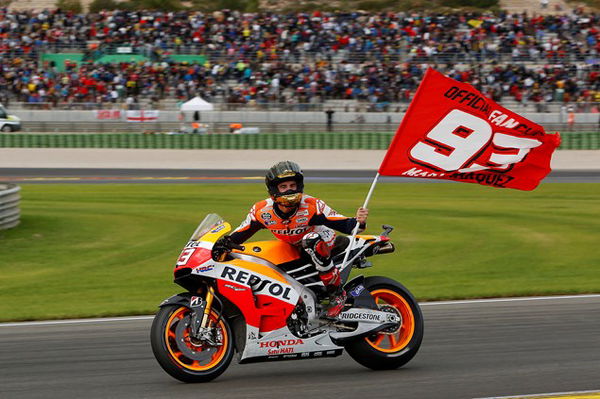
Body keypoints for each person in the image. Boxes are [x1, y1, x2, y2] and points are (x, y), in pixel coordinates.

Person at [214, 161, 368, 318]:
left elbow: (346, 225)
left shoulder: (312, 205)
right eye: (283, 186)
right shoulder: (261, 211)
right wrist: (219, 244)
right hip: (294, 247)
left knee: (310, 239)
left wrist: (359, 221)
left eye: (292, 185)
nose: (289, 190)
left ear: (299, 186)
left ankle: (337, 293)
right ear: (274, 190)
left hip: (324, 243)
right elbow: (240, 234)